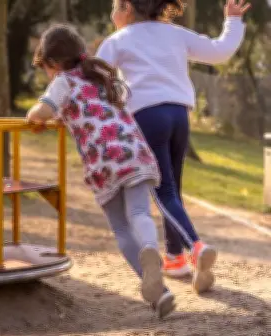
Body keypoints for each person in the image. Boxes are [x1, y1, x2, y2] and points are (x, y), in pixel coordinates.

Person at [95, 0, 250, 293]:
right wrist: (232, 21)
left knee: (162, 191)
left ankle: (196, 246)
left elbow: (97, 80)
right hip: (179, 116)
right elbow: (220, 52)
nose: (111, 14)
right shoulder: (175, 33)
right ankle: (176, 258)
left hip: (147, 117)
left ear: (126, 8)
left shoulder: (117, 40)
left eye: (114, 7)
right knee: (172, 189)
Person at [27, 24, 176, 319]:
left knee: (121, 228)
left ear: (54, 63)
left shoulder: (63, 82)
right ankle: (150, 251)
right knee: (140, 214)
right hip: (133, 150)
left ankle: (159, 293)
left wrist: (34, 116)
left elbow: (42, 112)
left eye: (46, 67)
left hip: (103, 162)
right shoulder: (102, 76)